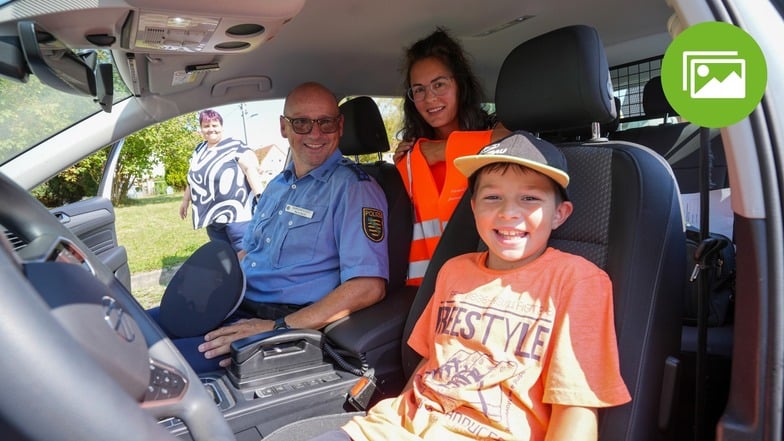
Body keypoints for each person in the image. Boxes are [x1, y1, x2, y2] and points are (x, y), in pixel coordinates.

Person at [315, 131, 631, 440]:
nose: (509, 212)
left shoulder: (577, 281)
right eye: (492, 197)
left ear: (560, 214)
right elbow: (429, 362)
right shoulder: (454, 271)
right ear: (473, 208)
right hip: (394, 427)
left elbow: (576, 408)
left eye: (530, 198)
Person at [170, 82, 389, 373]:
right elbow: (248, 252)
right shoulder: (277, 186)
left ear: (340, 126)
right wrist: (205, 289)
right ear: (284, 127)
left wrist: (275, 328)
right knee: (140, 331)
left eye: (326, 122)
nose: (315, 133)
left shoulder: (355, 189)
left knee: (154, 366)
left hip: (282, 323)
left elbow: (368, 287)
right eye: (301, 123)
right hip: (234, 304)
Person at [394, 27, 510, 286]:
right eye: (419, 90)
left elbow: (511, 139)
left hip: (491, 280)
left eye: (439, 84)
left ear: (459, 84)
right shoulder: (411, 156)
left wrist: (442, 151)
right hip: (428, 287)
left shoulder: (493, 130)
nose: (430, 98)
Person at [179, 109, 265, 253]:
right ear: (201, 129)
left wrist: (260, 197)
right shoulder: (199, 150)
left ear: (221, 127)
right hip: (212, 218)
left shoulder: (234, 146)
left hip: (238, 217)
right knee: (224, 257)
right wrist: (185, 201)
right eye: (206, 126)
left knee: (245, 255)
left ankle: (248, 276)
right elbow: (191, 178)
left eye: (215, 125)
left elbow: (250, 168)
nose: (211, 129)